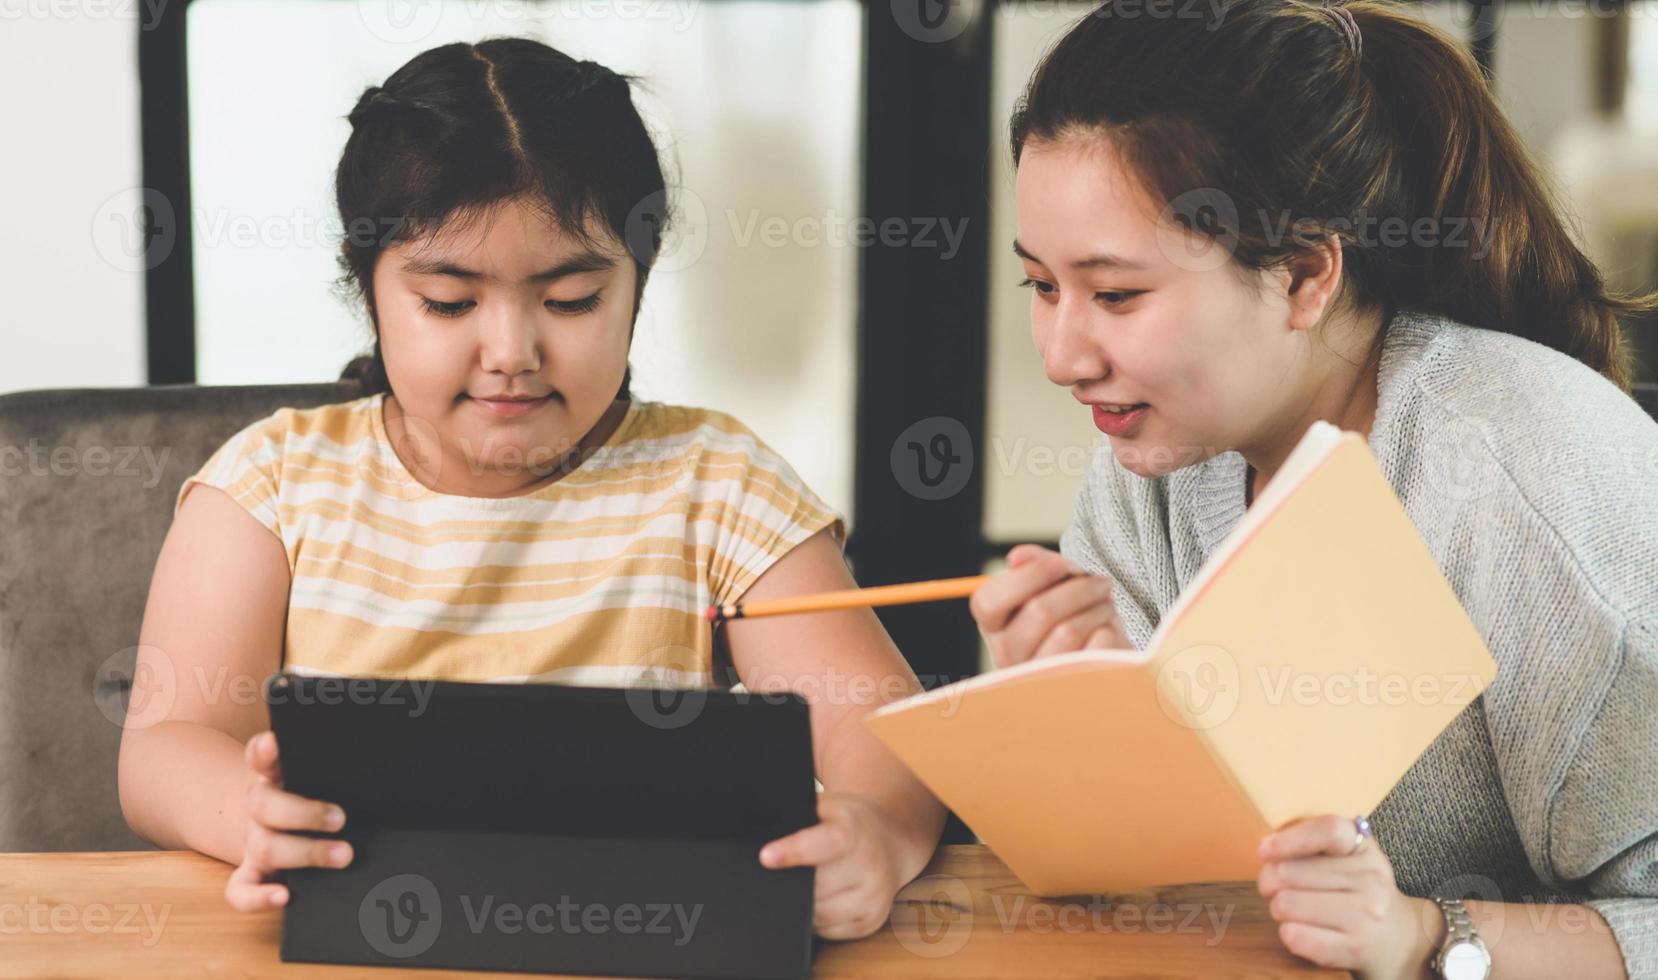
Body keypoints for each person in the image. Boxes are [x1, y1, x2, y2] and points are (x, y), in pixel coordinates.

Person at [117, 37, 943, 941]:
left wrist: (879, 833)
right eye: (448, 302)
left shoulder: (717, 483)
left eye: (572, 300)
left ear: (638, 284)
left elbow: (886, 736)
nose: (511, 352)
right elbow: (164, 746)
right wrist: (250, 814)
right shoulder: (273, 485)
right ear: (369, 291)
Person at [968, 1, 1658, 976]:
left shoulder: (1521, 482)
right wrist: (1078, 742)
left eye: (1115, 293)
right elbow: (1138, 888)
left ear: (1301, 275)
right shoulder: (1153, 464)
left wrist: (1423, 933)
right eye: (1039, 286)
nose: (1061, 354)